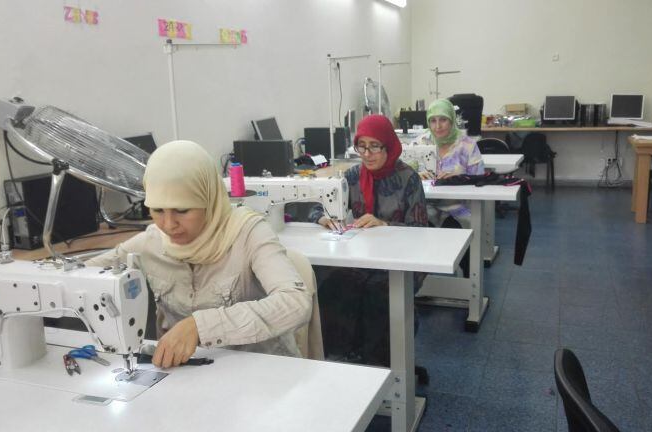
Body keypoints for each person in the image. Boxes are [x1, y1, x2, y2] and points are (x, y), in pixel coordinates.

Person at [87, 140, 312, 368]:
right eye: (157, 210)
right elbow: (84, 274)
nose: (168, 224)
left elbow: (295, 303)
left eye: (182, 210)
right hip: (195, 373)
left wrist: (201, 326)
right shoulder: (151, 242)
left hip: (266, 371)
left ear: (208, 198)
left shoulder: (248, 233)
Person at [309, 114, 428, 366]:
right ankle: (340, 358)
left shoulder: (409, 179)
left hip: (401, 260)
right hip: (363, 257)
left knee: (379, 294)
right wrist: (323, 218)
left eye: (375, 146)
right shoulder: (352, 177)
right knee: (331, 282)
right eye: (361, 146)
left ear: (389, 145)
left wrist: (384, 224)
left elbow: (419, 230)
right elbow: (316, 207)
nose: (367, 153)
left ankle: (383, 367)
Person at [416, 98, 485, 276]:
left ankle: (470, 286)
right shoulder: (421, 143)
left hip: (458, 207)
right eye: (433, 120)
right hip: (427, 207)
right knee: (413, 232)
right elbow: (403, 172)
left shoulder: (467, 145)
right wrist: (415, 176)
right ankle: (420, 284)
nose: (437, 126)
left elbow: (480, 179)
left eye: (443, 119)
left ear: (452, 120)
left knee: (461, 233)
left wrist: (459, 178)